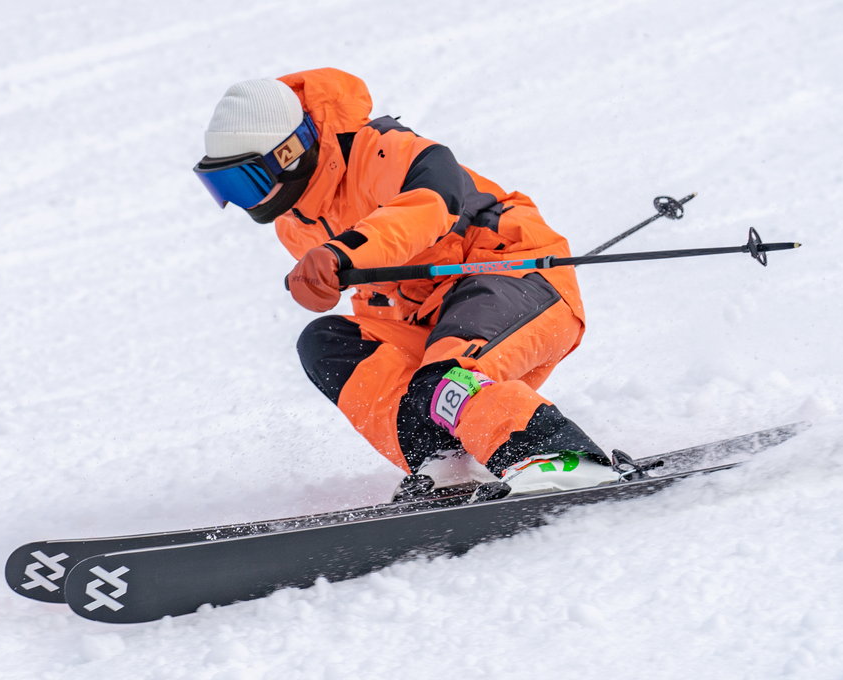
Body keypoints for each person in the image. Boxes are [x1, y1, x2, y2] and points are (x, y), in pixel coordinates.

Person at [194, 68, 619, 498]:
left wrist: (342, 252)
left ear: (290, 152)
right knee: (327, 342)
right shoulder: (294, 224)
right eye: (218, 185)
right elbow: (380, 294)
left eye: (243, 181)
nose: (238, 201)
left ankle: (562, 457)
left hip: (513, 276)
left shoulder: (382, 152)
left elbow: (430, 206)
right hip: (434, 321)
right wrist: (328, 281)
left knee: (445, 374)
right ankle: (447, 459)